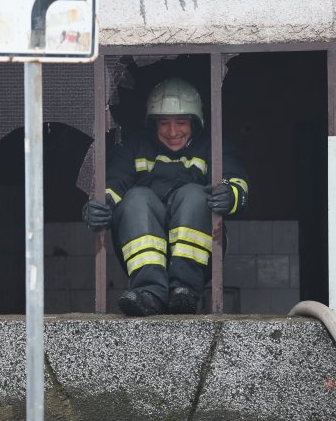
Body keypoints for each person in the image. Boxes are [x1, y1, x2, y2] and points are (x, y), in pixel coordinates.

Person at [82, 77, 249, 316]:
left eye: (181, 122)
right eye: (164, 123)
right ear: (152, 124)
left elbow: (236, 180)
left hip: (203, 258)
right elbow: (113, 185)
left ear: (195, 122)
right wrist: (98, 206)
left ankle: (184, 291)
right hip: (142, 260)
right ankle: (148, 293)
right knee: (136, 198)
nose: (172, 132)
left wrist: (230, 195)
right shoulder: (134, 148)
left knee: (194, 194)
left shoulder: (214, 147)